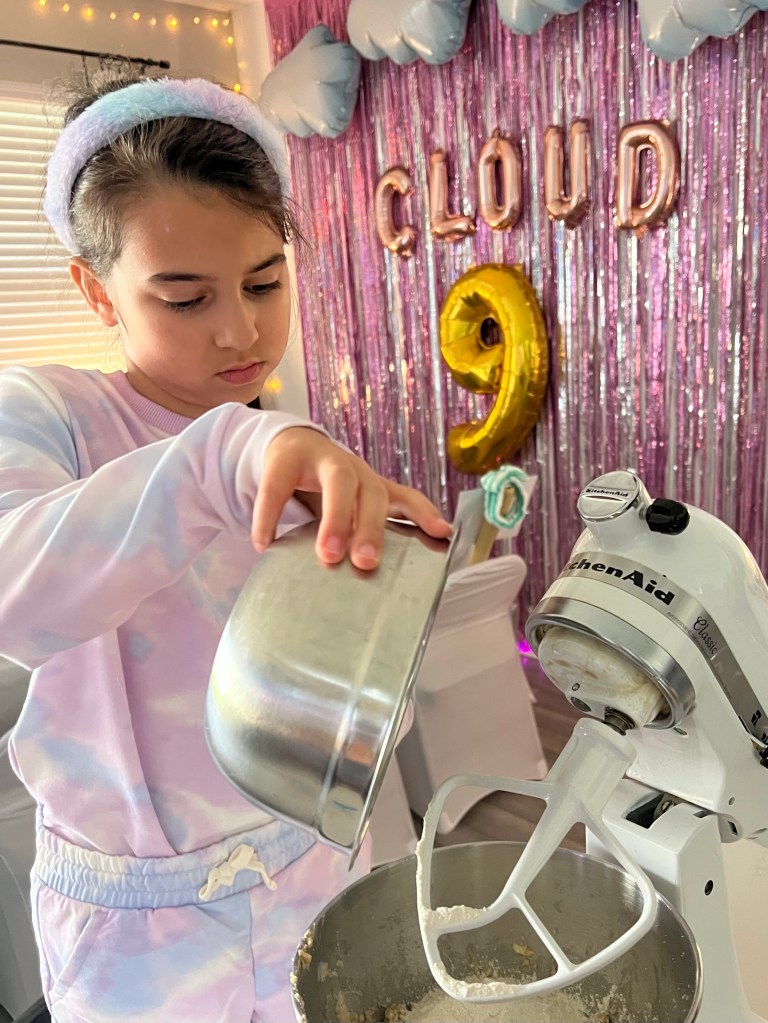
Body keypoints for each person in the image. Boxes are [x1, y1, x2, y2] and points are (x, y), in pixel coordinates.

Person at [0, 70, 451, 1023]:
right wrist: (223, 455)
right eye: (184, 298)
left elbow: (348, 718)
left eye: (264, 282)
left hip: (314, 874)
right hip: (137, 934)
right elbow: (17, 596)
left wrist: (391, 604)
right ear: (96, 290)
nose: (241, 330)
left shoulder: (297, 456)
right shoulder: (48, 415)